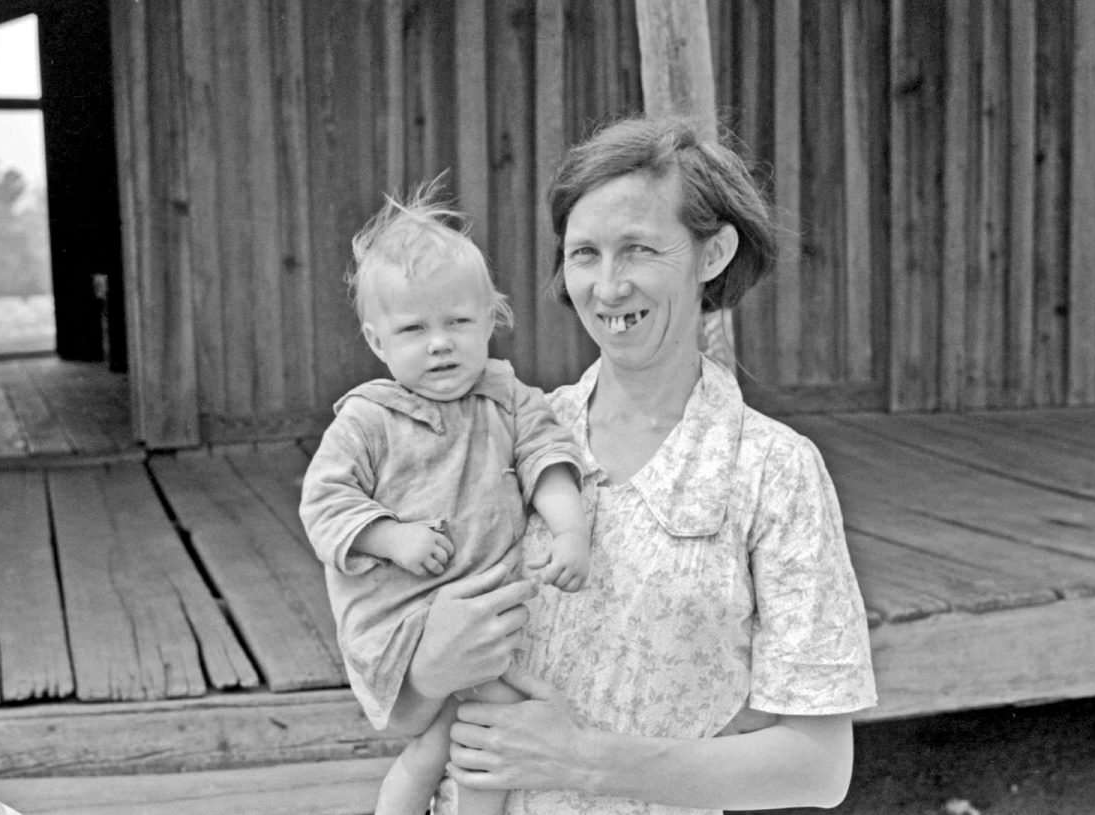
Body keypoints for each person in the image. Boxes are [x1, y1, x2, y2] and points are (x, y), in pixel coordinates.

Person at [380, 114, 878, 815]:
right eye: (584, 253)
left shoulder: (774, 472)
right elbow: (399, 697)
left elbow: (817, 766)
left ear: (714, 253)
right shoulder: (499, 436)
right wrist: (429, 664)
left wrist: (584, 759)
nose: (607, 287)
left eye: (637, 249)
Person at [299, 184, 591, 815]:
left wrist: (571, 533)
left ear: (490, 321)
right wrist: (391, 537)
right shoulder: (367, 420)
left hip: (482, 607)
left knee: (476, 729)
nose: (440, 343)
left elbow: (547, 459)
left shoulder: (506, 399)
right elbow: (325, 503)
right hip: (403, 613)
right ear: (378, 343)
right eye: (414, 329)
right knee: (459, 733)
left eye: (459, 322)